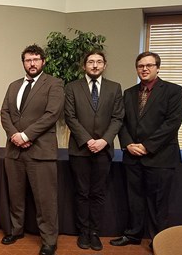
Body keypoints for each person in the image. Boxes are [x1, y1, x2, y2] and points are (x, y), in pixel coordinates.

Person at [110, 51, 182, 248]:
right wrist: (128, 144)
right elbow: (122, 122)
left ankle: (159, 240)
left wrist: (147, 146)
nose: (144, 69)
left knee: (158, 203)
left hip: (160, 157)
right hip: (133, 157)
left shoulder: (173, 91)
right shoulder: (129, 93)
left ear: (157, 68)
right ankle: (133, 235)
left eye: (149, 65)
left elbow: (172, 123)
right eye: (141, 66)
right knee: (134, 199)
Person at [0, 44, 64, 255]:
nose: (32, 63)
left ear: (43, 61)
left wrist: (26, 135)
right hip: (14, 151)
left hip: (40, 151)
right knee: (15, 196)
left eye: (36, 59)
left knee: (45, 200)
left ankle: (48, 241)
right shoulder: (13, 85)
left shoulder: (54, 84)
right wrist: (14, 136)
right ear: (23, 63)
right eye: (28, 60)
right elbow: (5, 113)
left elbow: (51, 114)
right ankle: (16, 230)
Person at [64, 51, 124, 251]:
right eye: (91, 62)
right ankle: (83, 232)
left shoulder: (115, 88)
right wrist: (88, 140)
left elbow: (118, 118)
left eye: (99, 62)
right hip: (80, 149)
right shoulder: (72, 87)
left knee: (98, 193)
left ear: (105, 65)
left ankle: (95, 232)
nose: (95, 65)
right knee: (81, 192)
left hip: (103, 150)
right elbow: (70, 117)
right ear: (84, 66)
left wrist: (104, 141)